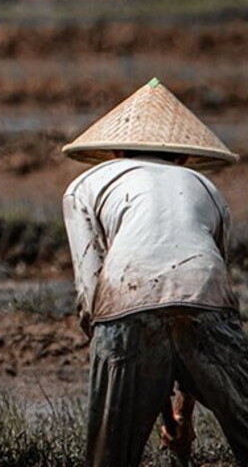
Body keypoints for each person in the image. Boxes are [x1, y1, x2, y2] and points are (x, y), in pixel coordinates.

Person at [62, 77, 248, 467]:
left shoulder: (84, 185)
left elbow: (90, 293)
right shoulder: (207, 187)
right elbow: (196, 302)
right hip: (207, 299)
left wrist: (109, 348)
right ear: (182, 156)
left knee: (108, 457)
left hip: (124, 301)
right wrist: (181, 415)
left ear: (113, 150)